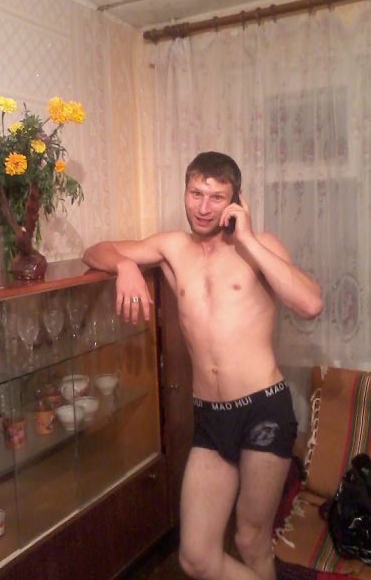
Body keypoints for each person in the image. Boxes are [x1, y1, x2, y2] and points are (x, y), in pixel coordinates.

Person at [82, 151, 322, 580]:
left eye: (217, 197)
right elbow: (93, 250)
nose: (204, 207)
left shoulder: (260, 246)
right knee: (195, 557)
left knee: (250, 541)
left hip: (263, 410)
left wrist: (248, 239)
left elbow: (310, 304)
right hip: (210, 417)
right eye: (196, 193)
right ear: (185, 192)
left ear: (236, 201)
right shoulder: (173, 248)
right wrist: (124, 265)